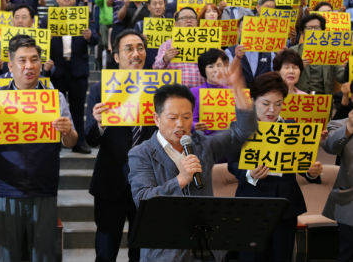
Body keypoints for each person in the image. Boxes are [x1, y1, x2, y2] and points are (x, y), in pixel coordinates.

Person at [128, 55, 256, 262]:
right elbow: (143, 200)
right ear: (156, 119)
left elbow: (243, 132)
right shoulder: (141, 153)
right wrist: (181, 179)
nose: (181, 124)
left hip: (204, 248)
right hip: (164, 251)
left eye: (187, 117)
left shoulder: (202, 144)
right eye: (173, 118)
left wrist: (238, 90)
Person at [0, 35, 78, 262]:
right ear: (11, 65)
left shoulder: (55, 99)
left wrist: (67, 131)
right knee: (7, 255)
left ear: (41, 63)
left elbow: (71, 142)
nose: (29, 66)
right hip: (5, 190)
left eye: (34, 60)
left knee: (43, 256)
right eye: (22, 60)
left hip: (44, 189)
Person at [227, 72, 322, 261]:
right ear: (253, 100)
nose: (272, 109)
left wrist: (311, 172)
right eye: (266, 103)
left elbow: (303, 164)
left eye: (278, 104)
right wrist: (249, 173)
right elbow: (232, 163)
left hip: (284, 207)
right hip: (251, 205)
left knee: (282, 257)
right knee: (250, 258)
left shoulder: (292, 127)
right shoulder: (240, 127)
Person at [86, 30, 157, 262]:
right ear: (116, 56)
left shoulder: (159, 90)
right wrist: (99, 124)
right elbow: (90, 139)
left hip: (150, 183)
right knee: (106, 252)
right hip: (110, 182)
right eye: (129, 48)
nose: (136, 54)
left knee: (143, 252)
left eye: (140, 48)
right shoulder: (99, 90)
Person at [40, 0, 99, 154]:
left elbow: (95, 38)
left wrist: (89, 36)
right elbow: (40, 43)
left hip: (78, 68)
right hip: (56, 68)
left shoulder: (83, 17)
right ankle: (54, 142)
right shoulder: (48, 18)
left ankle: (79, 142)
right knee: (54, 109)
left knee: (78, 108)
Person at [323, 109, 353, 262]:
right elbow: (330, 147)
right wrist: (349, 128)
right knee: (347, 253)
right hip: (349, 203)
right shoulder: (338, 125)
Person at [291, 14, 346, 94]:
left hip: (323, 99)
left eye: (316, 28)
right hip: (299, 99)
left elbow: (341, 77)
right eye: (309, 28)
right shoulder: (293, 52)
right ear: (302, 33)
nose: (313, 31)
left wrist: (348, 67)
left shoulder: (331, 52)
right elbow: (284, 79)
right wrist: (299, 67)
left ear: (323, 31)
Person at [153, 7, 205, 88]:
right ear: (176, 24)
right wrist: (165, 59)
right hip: (175, 93)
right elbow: (155, 69)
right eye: (184, 18)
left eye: (192, 18)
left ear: (197, 23)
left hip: (199, 94)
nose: (189, 21)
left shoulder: (205, 43)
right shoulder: (167, 45)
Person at [191, 48, 229, 136]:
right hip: (204, 141)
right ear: (203, 70)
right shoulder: (195, 92)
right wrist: (195, 126)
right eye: (211, 66)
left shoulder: (233, 92)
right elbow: (189, 120)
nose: (216, 70)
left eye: (219, 65)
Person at [134, 0, 167, 68]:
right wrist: (140, 41)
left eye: (161, 3)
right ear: (148, 7)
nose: (158, 6)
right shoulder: (140, 25)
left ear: (164, 5)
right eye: (154, 4)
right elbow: (133, 47)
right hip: (146, 66)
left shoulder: (172, 26)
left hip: (166, 68)